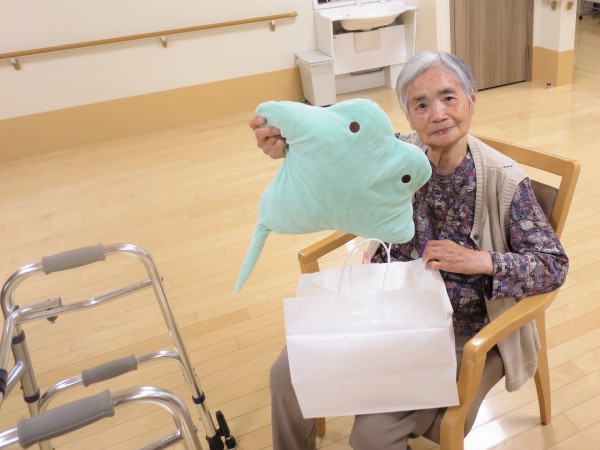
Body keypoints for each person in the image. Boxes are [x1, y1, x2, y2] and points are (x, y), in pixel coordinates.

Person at [249, 51, 568, 450]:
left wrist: (480, 260)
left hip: (457, 330)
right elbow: (332, 150)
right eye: (421, 104)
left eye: (448, 97)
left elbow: (553, 264)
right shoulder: (396, 152)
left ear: (471, 99)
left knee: (371, 435)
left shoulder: (503, 180)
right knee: (287, 374)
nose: (438, 114)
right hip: (385, 304)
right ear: (407, 115)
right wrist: (287, 144)